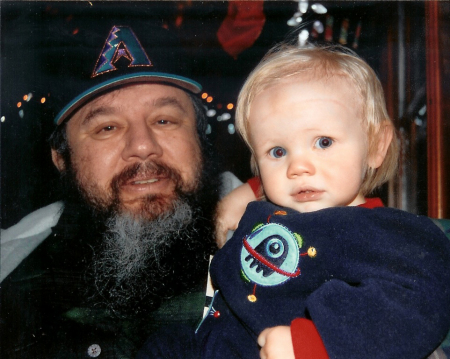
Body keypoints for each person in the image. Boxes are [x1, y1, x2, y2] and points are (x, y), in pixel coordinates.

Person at [137, 44, 450, 359]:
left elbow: (420, 304)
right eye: (278, 151)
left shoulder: (386, 232)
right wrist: (248, 191)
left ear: (375, 146)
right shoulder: (272, 207)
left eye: (323, 142)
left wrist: (314, 344)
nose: (297, 167)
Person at [0, 19, 242, 359]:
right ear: (61, 159)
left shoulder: (286, 250)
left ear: (200, 138)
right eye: (107, 127)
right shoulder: (12, 277)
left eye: (164, 120)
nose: (143, 147)